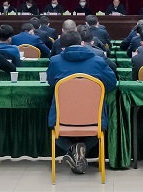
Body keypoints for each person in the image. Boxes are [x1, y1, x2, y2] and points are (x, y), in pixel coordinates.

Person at [46, 30, 118, 175]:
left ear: (62, 47)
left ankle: (72, 149)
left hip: (62, 117)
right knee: (97, 132)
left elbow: (51, 82)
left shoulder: (55, 61)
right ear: (83, 43)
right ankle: (79, 150)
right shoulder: (98, 61)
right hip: (94, 117)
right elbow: (111, 84)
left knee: (56, 131)